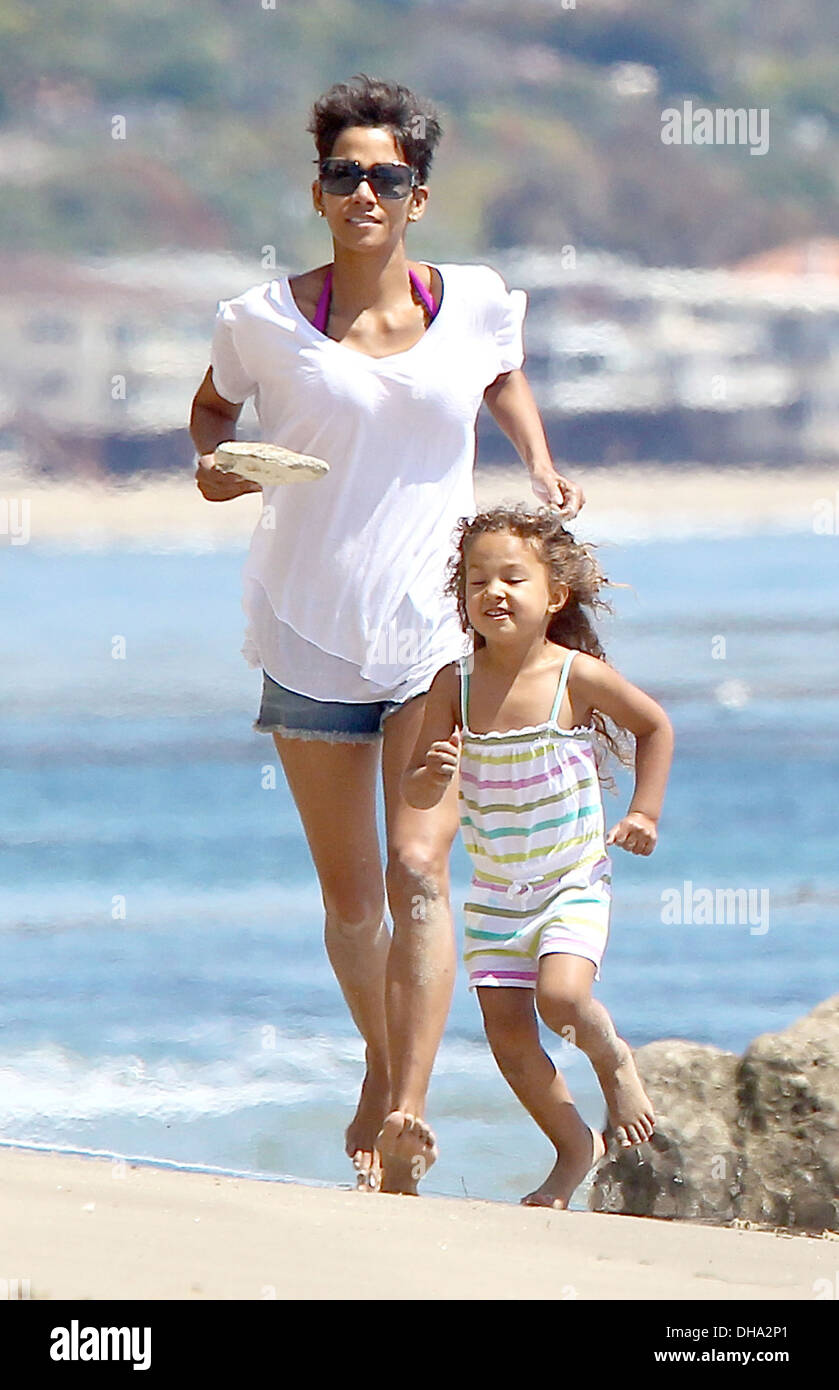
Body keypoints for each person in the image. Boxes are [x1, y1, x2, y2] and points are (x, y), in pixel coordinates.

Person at [190, 75, 584, 1196]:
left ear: (417, 196)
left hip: (427, 636)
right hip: (304, 629)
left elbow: (500, 372)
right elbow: (212, 414)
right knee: (353, 899)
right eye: (343, 174)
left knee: (420, 870)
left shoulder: (470, 301)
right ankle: (376, 1064)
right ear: (317, 193)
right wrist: (220, 466)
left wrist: (539, 465)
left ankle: (406, 1109)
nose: (363, 190)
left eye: (385, 176)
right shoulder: (261, 319)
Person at [403, 505, 674, 1207]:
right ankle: (570, 1147)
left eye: (511, 578)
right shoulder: (452, 685)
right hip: (494, 895)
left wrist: (643, 811)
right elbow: (417, 780)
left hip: (569, 883)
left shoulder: (573, 677)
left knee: (561, 998)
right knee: (509, 1041)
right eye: (476, 581)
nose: (492, 592)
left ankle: (610, 1057)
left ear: (553, 595)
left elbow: (653, 725)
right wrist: (431, 774)